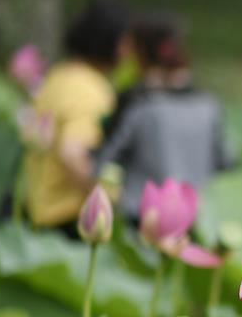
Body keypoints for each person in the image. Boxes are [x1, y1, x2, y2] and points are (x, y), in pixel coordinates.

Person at [95, 12, 232, 223]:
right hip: (197, 218)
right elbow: (225, 162)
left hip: (142, 219)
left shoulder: (137, 103)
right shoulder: (208, 104)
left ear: (139, 53)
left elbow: (104, 160)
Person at [26, 0, 130, 235]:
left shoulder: (58, 75)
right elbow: (72, 153)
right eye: (126, 43)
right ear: (110, 41)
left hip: (35, 207)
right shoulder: (90, 90)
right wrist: (107, 201)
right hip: (66, 219)